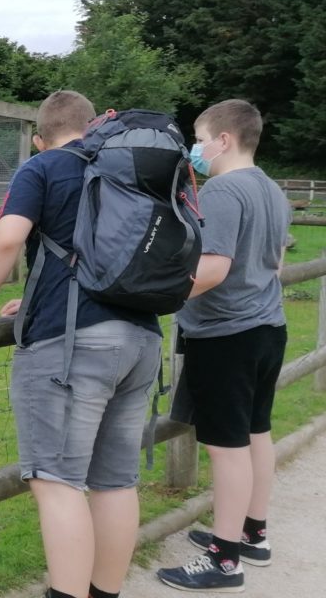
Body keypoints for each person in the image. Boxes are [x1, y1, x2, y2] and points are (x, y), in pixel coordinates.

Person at [0, 90, 162, 598]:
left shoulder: (43, 167)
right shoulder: (132, 168)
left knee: (57, 481)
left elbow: (8, 239)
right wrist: (32, 298)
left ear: (37, 136)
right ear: (94, 126)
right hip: (141, 337)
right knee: (115, 481)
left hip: (73, 345)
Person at [156, 99, 291, 593]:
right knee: (256, 432)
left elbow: (213, 268)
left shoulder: (222, 190)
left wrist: (154, 295)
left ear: (224, 140)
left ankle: (224, 558)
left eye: (200, 138)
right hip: (267, 327)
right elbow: (275, 262)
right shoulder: (272, 190)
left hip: (226, 334)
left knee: (226, 447)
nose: (196, 149)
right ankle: (252, 533)